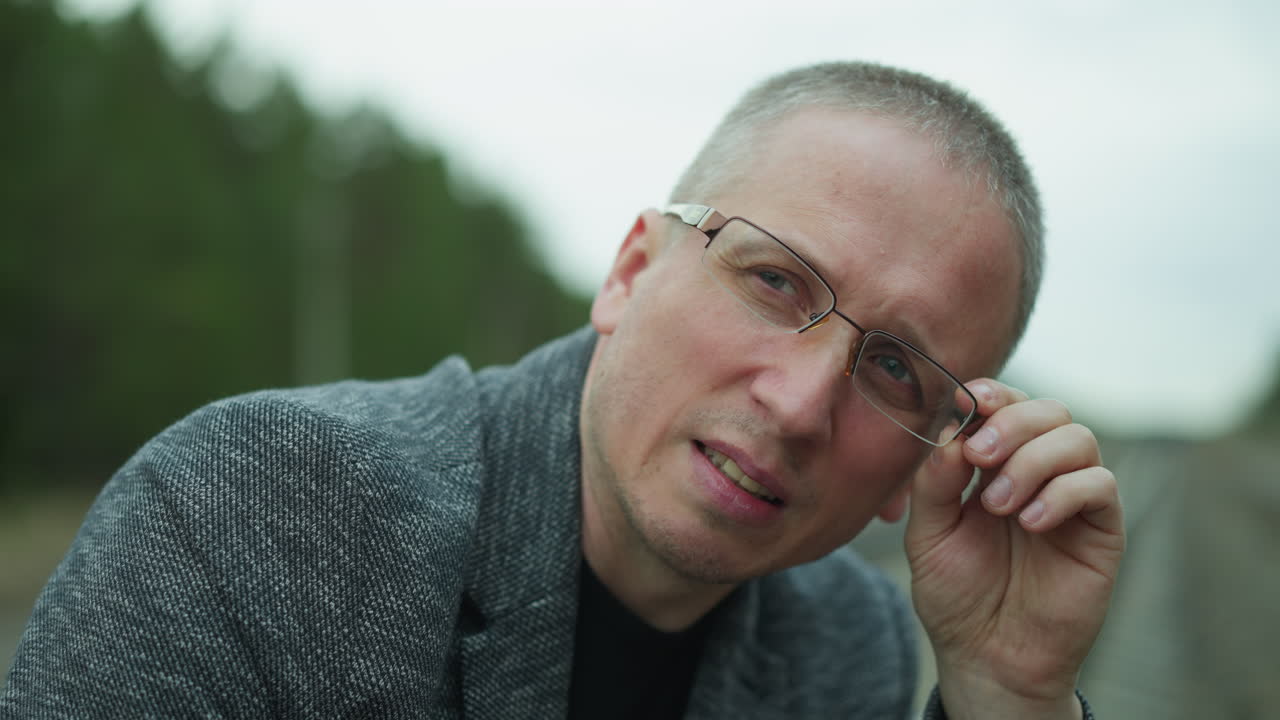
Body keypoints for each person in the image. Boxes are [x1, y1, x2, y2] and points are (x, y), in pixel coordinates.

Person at [1, 62, 1122, 719]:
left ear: (927, 459)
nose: (793, 404)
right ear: (630, 273)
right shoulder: (262, 512)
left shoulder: (848, 644)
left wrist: (1007, 697)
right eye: (775, 281)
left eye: (892, 367)